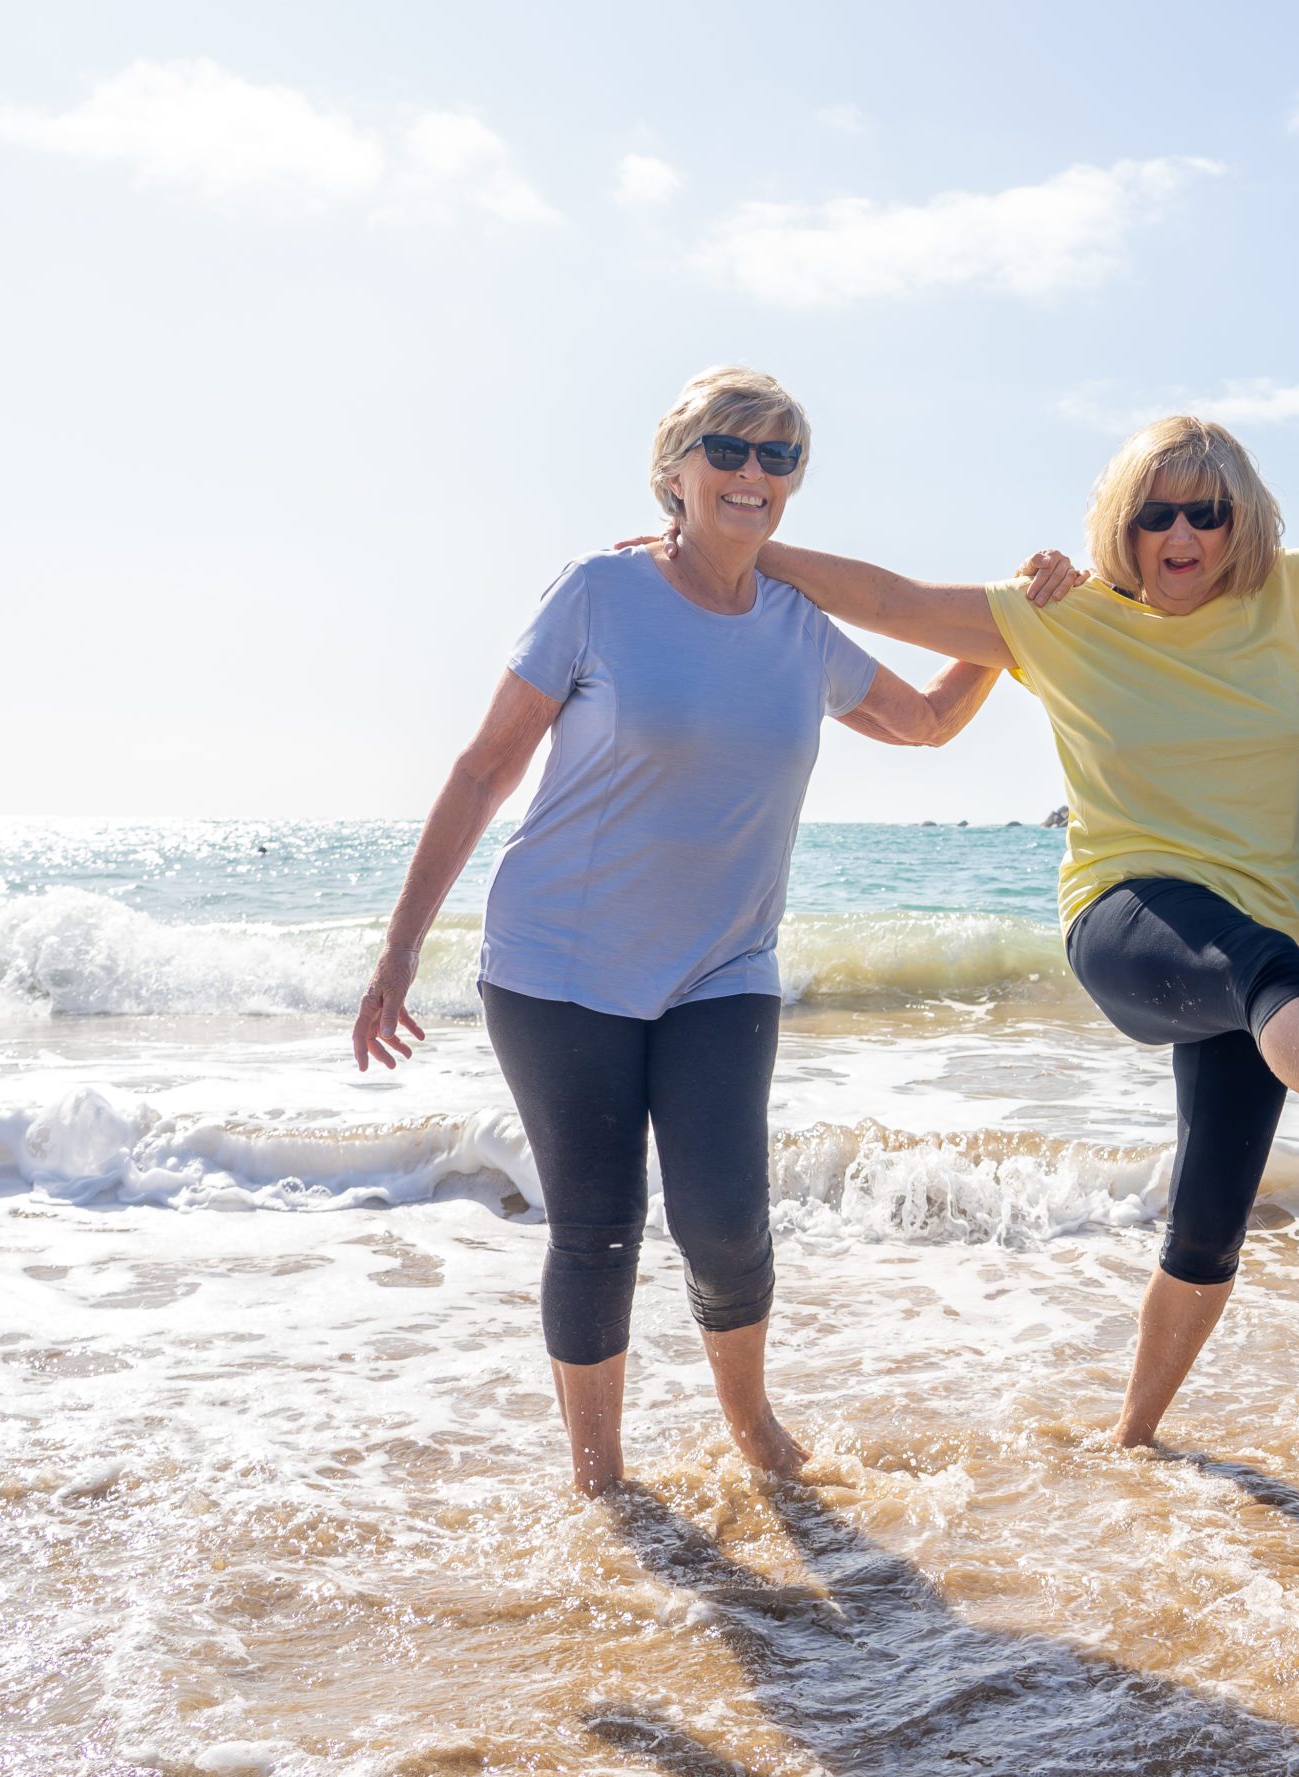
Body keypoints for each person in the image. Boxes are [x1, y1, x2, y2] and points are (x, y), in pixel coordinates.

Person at [733, 415, 1299, 1447]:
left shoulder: (1289, 596)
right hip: (1129, 918)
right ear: (1123, 523)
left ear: (1236, 523)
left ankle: (1131, 1439)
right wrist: (741, 548)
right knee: (1266, 968)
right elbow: (891, 600)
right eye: (1156, 512)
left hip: (1261, 986)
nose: (1182, 533)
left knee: (1209, 1224)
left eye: (1205, 513)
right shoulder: (1060, 618)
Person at [348, 366, 1007, 1495]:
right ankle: (600, 1479)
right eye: (729, 449)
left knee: (728, 1223)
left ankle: (752, 1430)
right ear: (676, 471)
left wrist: (1018, 627)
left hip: (723, 966)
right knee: (598, 1226)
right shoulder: (599, 593)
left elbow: (930, 723)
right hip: (560, 963)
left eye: (779, 455)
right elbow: (485, 765)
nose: (754, 473)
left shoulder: (802, 625)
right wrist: (402, 945)